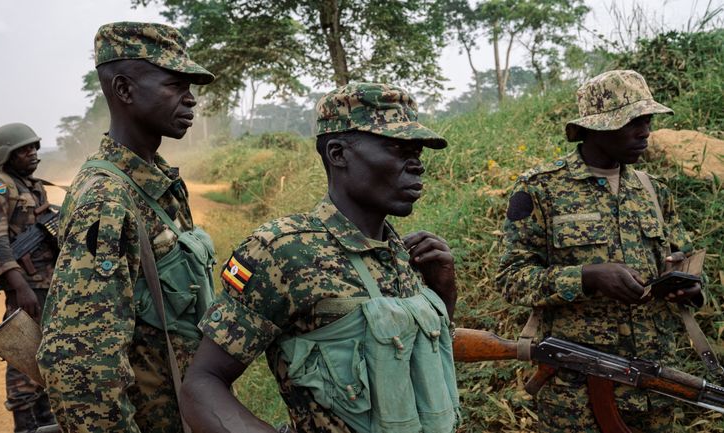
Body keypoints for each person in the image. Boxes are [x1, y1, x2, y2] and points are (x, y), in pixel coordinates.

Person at [179, 83, 461, 433]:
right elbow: (202, 384)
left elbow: (413, 359)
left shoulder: (405, 254)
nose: (416, 165)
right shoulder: (285, 251)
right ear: (338, 153)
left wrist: (442, 295)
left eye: (417, 152)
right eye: (397, 148)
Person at [496, 70, 711, 432]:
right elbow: (511, 279)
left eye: (648, 121)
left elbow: (685, 260)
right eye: (632, 122)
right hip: (576, 393)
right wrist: (586, 277)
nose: (645, 132)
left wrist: (691, 287)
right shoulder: (541, 189)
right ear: (595, 128)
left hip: (653, 385)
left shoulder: (654, 191)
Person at [36, 22, 216, 433]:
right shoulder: (108, 200)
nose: (190, 99)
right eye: (174, 85)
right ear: (124, 90)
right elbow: (81, 368)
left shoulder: (154, 183)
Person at [0, 122, 58, 433]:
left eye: (34, 146)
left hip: (48, 281)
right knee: (25, 350)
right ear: (6, 155)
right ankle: (23, 421)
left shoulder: (31, 185)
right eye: (23, 149)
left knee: (47, 349)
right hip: (28, 285)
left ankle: (46, 418)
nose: (32, 153)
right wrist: (18, 284)